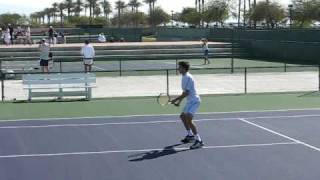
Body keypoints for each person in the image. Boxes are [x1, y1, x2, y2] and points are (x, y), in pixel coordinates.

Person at [171, 61, 203, 149]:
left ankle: (199, 141)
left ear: (184, 68)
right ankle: (190, 135)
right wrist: (179, 102)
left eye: (180, 67)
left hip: (195, 101)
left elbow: (187, 93)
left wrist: (176, 99)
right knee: (182, 116)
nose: (178, 69)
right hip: (190, 101)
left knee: (189, 119)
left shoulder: (189, 77)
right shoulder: (183, 77)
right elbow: (184, 92)